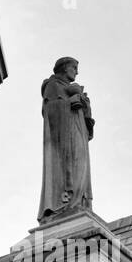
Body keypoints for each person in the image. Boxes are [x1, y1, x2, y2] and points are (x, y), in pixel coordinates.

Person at [37, 56, 94, 222]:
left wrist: (84, 104)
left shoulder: (72, 88)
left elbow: (87, 122)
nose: (77, 72)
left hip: (78, 134)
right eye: (74, 68)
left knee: (82, 167)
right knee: (72, 168)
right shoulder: (52, 86)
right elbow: (50, 111)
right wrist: (70, 103)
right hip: (64, 139)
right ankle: (67, 202)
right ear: (64, 68)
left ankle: (80, 202)